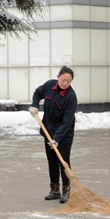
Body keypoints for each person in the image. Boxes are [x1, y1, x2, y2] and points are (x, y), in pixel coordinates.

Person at [29, 66, 78, 203]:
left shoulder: (71, 96)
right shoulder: (50, 85)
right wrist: (35, 105)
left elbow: (67, 120)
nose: (65, 83)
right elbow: (38, 93)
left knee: (63, 162)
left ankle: (66, 191)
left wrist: (57, 138)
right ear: (58, 77)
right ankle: (54, 190)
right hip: (48, 130)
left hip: (64, 134)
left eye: (69, 81)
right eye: (64, 80)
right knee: (51, 161)